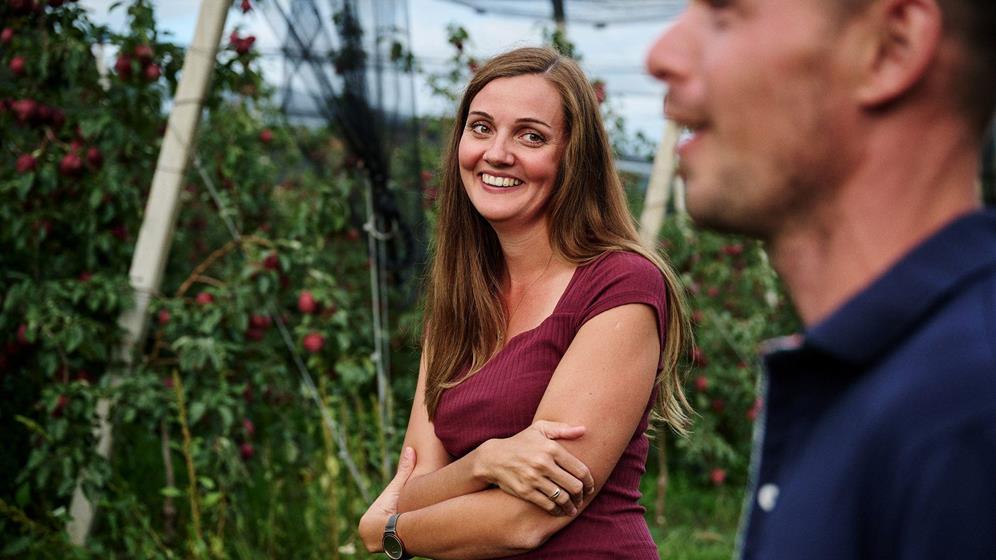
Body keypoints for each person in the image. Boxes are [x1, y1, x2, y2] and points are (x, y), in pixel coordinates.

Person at [646, 1, 996, 559]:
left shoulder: (968, 424)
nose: (658, 56)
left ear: (890, 49)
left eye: (723, 13)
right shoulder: (890, 383)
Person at [358, 46, 691, 558]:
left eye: (531, 136)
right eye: (482, 127)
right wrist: (482, 463)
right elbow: (412, 485)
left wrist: (387, 532)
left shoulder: (619, 285)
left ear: (571, 158)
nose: (497, 153)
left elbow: (525, 520)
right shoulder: (458, 297)